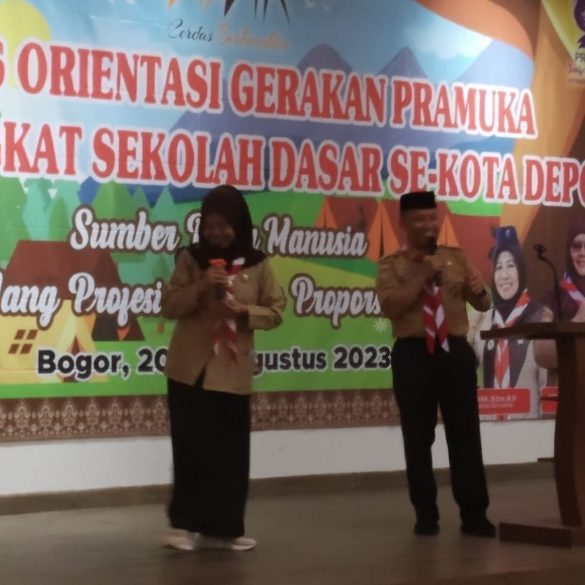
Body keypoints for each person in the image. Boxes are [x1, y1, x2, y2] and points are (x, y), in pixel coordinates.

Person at [161, 184, 286, 552]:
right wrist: (201, 287)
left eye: (224, 226)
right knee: (191, 449)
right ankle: (183, 526)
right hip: (190, 371)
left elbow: (276, 310)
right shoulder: (190, 259)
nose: (216, 233)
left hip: (232, 371)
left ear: (239, 225)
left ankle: (225, 527)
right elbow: (169, 305)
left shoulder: (258, 264)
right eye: (209, 226)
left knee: (230, 453)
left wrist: (246, 311)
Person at [375, 190, 496, 538]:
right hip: (413, 355)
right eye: (420, 220)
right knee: (418, 438)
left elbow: (483, 303)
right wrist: (421, 276)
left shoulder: (456, 257)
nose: (429, 225)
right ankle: (425, 514)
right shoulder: (391, 264)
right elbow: (390, 306)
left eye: (432, 218)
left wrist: (480, 290)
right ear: (404, 223)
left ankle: (475, 514)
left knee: (465, 436)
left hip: (454, 352)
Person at [468, 226, 546, 419]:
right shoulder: (484, 321)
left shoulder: (540, 319)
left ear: (521, 270)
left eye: (511, 266)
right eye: (499, 267)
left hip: (530, 431)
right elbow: (464, 373)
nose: (504, 276)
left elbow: (547, 387)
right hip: (488, 431)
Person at [534, 216, 585, 379]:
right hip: (566, 385)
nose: (583, 253)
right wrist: (577, 322)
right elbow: (540, 353)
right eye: (576, 246)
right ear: (568, 250)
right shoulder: (554, 297)